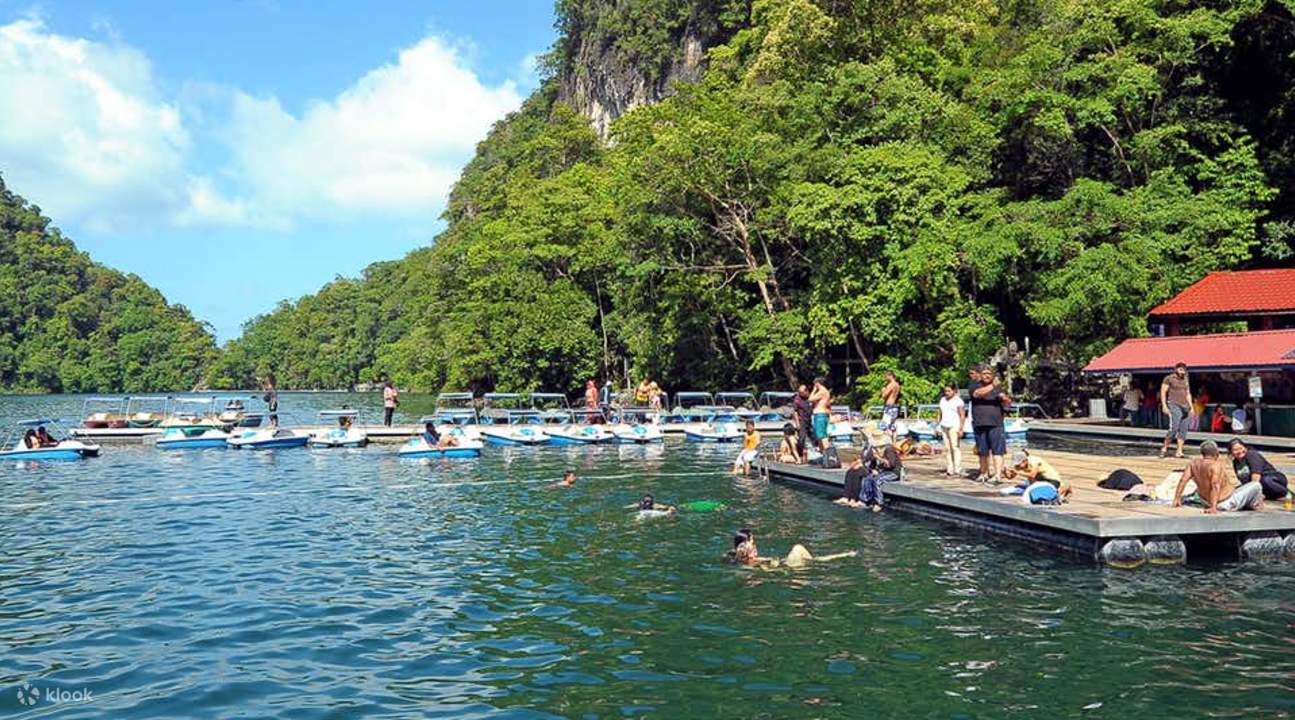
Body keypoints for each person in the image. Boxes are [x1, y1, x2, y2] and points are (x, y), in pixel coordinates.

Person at [1173, 440, 1263, 514]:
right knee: (1256, 485)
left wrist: (1176, 499)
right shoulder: (1215, 466)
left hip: (1205, 501)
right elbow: (1215, 485)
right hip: (1224, 503)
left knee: (1240, 488)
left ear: (1202, 453)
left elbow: (1183, 480)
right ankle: (1254, 505)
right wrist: (1213, 507)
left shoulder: (1193, 463)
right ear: (1216, 454)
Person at [726, 528, 856, 568]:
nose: (755, 543)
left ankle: (843, 555)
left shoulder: (735, 556)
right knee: (800, 550)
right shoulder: (750, 560)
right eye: (752, 540)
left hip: (781, 564)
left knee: (810, 557)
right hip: (785, 567)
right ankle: (843, 555)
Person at [970, 367, 1010, 483]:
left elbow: (1007, 404)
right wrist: (993, 386)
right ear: (980, 375)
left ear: (992, 375)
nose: (987, 376)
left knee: (998, 451)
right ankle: (984, 473)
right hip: (980, 423)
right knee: (982, 451)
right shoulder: (975, 385)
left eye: (989, 373)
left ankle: (997, 475)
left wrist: (1006, 399)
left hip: (996, 423)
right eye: (984, 373)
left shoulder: (998, 387)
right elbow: (978, 394)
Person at [1005, 450, 1072, 499]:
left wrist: (1017, 472)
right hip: (1039, 479)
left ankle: (1064, 487)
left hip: (1051, 479)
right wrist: (1006, 473)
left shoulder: (1035, 461)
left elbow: (1032, 475)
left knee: (1050, 494)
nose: (1018, 466)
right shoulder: (1019, 465)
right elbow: (1010, 477)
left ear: (1025, 460)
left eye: (1019, 464)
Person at [1159, 362, 1192, 459]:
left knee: (1183, 429)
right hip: (1174, 404)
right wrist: (1164, 405)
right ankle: (1164, 448)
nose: (1182, 370)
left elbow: (1188, 393)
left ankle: (1179, 451)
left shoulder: (1185, 379)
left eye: (1184, 369)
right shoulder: (1169, 378)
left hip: (1185, 406)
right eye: (1180, 368)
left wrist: (1191, 406)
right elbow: (1163, 391)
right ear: (1176, 369)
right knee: (1174, 427)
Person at [860, 439, 902, 511]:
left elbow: (890, 465)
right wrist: (873, 470)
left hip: (893, 472)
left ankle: (879, 503)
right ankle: (866, 500)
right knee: (868, 478)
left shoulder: (889, 451)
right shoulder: (876, 452)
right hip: (883, 471)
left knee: (877, 480)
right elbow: (871, 464)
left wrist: (879, 458)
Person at [937, 383, 965, 477]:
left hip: (954, 425)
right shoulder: (943, 400)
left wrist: (961, 428)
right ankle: (950, 468)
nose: (947, 393)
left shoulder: (958, 401)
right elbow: (940, 413)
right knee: (947, 448)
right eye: (945, 391)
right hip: (944, 425)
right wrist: (937, 426)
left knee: (955, 447)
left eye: (949, 391)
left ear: (954, 391)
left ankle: (957, 468)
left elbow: (962, 415)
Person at [809, 377, 832, 451]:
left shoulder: (822, 391)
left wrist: (814, 390)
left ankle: (828, 453)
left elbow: (810, 399)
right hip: (821, 415)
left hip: (820, 414)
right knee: (820, 436)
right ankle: (823, 454)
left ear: (817, 384)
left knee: (822, 436)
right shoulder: (826, 392)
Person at [793, 384, 814, 456]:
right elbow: (795, 412)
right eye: (799, 392)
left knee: (814, 437)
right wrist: (797, 423)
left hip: (810, 420)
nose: (800, 394)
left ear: (806, 391)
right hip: (802, 421)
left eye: (801, 393)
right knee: (802, 438)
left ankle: (817, 451)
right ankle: (800, 455)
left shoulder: (811, 397)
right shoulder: (797, 399)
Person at [879, 371, 902, 438]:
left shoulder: (891, 385)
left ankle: (888, 443)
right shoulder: (897, 385)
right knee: (893, 427)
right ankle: (894, 444)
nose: (885, 378)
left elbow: (884, 396)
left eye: (886, 376)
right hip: (895, 407)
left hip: (889, 407)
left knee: (884, 427)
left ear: (890, 376)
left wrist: (883, 389)